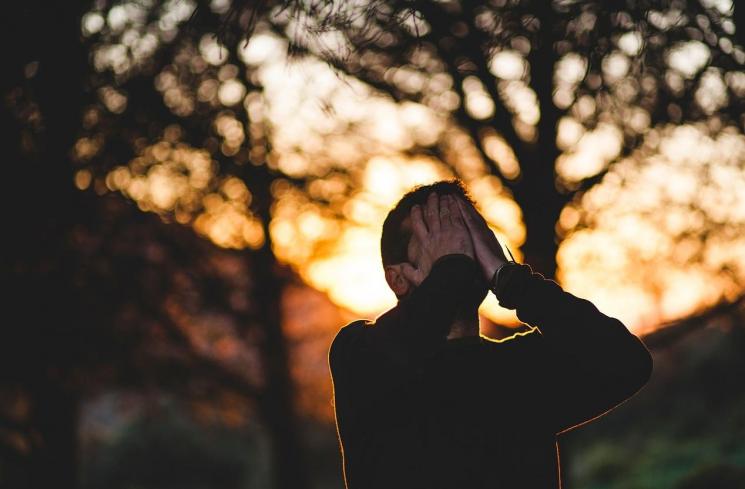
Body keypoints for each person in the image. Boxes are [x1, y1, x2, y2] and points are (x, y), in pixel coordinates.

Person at [328, 179, 653, 489]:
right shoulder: (359, 354)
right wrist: (451, 268)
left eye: (468, 234)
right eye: (440, 236)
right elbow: (403, 349)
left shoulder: (523, 368)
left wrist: (510, 278)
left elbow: (627, 361)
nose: (459, 248)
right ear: (397, 279)